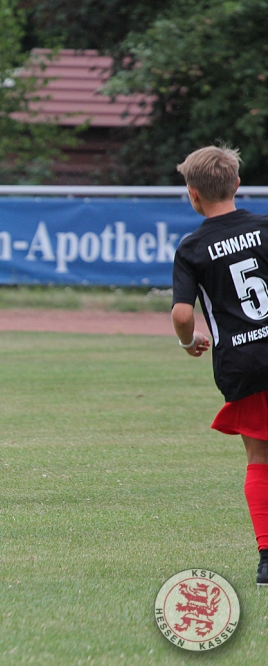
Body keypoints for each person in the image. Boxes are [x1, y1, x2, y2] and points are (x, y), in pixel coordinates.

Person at [171, 145, 268, 585]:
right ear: (237, 185)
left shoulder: (192, 247)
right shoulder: (264, 228)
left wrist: (188, 341)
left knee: (259, 458)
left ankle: (267, 560)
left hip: (243, 362)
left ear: (193, 194)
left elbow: (182, 314)